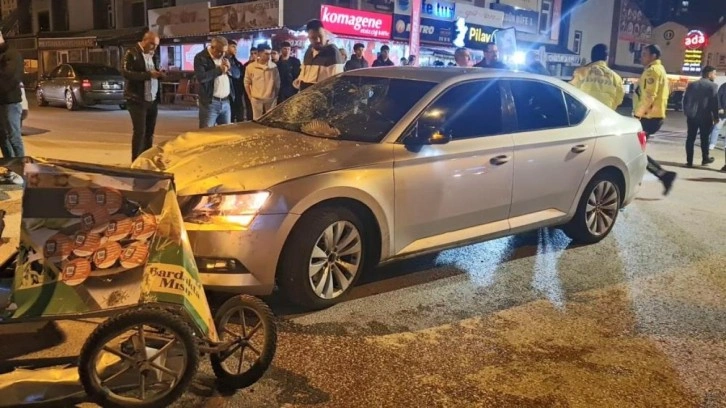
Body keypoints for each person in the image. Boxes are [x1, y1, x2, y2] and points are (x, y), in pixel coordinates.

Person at [633, 44, 677, 195]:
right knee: (637, 150)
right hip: (654, 117)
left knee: (635, 151)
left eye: (644, 54)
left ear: (653, 56)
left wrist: (637, 115)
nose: (641, 57)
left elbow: (649, 96)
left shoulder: (652, 71)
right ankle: (663, 175)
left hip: (647, 118)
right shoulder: (661, 70)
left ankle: (663, 175)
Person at [121, 31, 163, 162]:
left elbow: (155, 71)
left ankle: (146, 159)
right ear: (144, 41)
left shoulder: (153, 55)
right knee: (140, 131)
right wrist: (148, 75)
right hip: (137, 99)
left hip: (152, 98)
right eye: (152, 44)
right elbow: (126, 73)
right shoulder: (131, 53)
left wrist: (160, 74)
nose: (154, 48)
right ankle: (136, 161)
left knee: (150, 132)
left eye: (156, 45)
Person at [194, 36, 239, 128]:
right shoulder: (201, 57)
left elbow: (237, 74)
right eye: (219, 51)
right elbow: (201, 78)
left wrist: (229, 68)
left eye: (224, 51)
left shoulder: (225, 56)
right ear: (212, 47)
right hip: (210, 103)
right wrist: (219, 70)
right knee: (206, 132)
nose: (222, 54)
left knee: (225, 132)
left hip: (226, 102)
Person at [682, 65, 719, 167]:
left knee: (690, 138)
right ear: (709, 74)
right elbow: (714, 103)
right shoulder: (713, 86)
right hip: (705, 116)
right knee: (705, 138)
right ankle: (705, 158)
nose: (715, 76)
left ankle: (689, 161)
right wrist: (716, 116)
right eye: (714, 74)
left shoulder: (692, 84)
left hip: (692, 116)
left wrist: (686, 111)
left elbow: (685, 99)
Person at [295, 19, 345, 91]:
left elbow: (336, 83)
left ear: (325, 34)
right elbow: (302, 75)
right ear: (309, 37)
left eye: (320, 36)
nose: (318, 40)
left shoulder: (332, 52)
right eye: (313, 38)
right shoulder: (309, 51)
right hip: (305, 96)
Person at [570, 44, 624, 110]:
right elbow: (619, 100)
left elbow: (570, 92)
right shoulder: (616, 77)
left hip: (584, 112)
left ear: (592, 57)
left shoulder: (580, 72)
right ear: (606, 58)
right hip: (606, 113)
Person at [0, 31, 25, 158]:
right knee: (2, 138)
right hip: (1, 103)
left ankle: (21, 165)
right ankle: (10, 165)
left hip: (11, 103)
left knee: (13, 137)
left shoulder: (12, 54)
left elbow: (9, 77)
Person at [244, 43, 280, 120]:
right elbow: (247, 82)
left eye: (270, 54)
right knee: (257, 120)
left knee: (270, 120)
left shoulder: (273, 67)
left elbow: (277, 83)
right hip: (256, 98)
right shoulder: (251, 67)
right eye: (266, 54)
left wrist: (275, 96)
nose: (269, 56)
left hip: (270, 98)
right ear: (259, 53)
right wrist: (250, 96)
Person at [227, 40, 246, 123]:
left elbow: (238, 76)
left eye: (236, 47)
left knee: (240, 119)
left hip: (237, 94)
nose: (235, 49)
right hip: (227, 96)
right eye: (233, 47)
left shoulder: (237, 64)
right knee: (228, 121)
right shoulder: (220, 62)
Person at [242, 48, 258, 120]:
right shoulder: (246, 65)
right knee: (250, 111)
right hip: (249, 91)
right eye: (252, 53)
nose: (253, 55)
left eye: (255, 53)